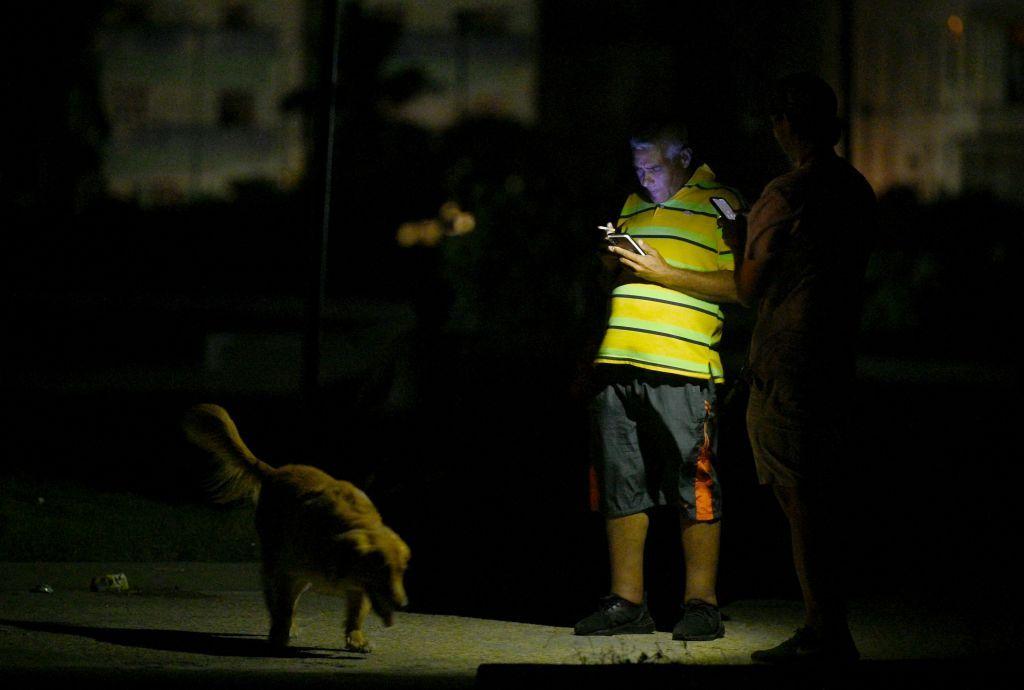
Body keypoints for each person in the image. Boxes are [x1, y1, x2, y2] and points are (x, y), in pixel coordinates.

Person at [720, 73, 876, 664]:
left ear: (786, 124)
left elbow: (748, 288)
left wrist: (739, 237)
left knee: (798, 495)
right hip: (836, 350)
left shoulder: (786, 193)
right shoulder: (855, 187)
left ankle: (823, 628)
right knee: (821, 492)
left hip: (788, 356)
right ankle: (827, 621)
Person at [574, 124, 743, 641]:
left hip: (684, 368)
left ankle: (701, 603)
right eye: (638, 168)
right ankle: (627, 602)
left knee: (694, 485)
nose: (643, 178)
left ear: (685, 156)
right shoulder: (633, 206)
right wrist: (613, 264)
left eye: (653, 167)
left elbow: (743, 286)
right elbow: (614, 285)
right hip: (617, 365)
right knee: (621, 484)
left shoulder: (723, 203)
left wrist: (664, 272)